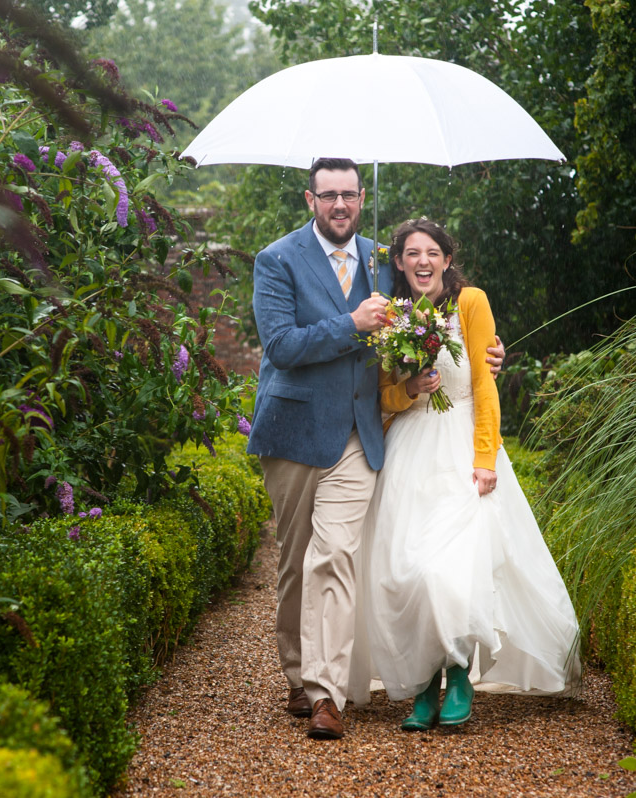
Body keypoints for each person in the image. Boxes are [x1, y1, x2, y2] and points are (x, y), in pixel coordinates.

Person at [247, 161, 505, 740]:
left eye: (349, 194)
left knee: (335, 555)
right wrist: (351, 323)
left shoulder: (380, 261)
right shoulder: (276, 259)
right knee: (295, 561)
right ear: (310, 199)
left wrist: (487, 352)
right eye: (328, 195)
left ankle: (326, 694)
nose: (339, 204)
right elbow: (281, 346)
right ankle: (298, 672)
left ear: (362, 198)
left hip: (360, 435)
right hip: (294, 431)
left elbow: (431, 309)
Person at [347, 217, 581, 731]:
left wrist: (485, 458)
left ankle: (457, 677)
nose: (423, 261)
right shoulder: (391, 317)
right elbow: (382, 396)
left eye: (432, 252)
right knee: (405, 568)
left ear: (447, 260)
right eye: (412, 253)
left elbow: (483, 384)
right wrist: (409, 390)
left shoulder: (470, 302)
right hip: (408, 450)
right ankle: (422, 686)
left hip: (461, 445)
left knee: (453, 567)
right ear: (399, 262)